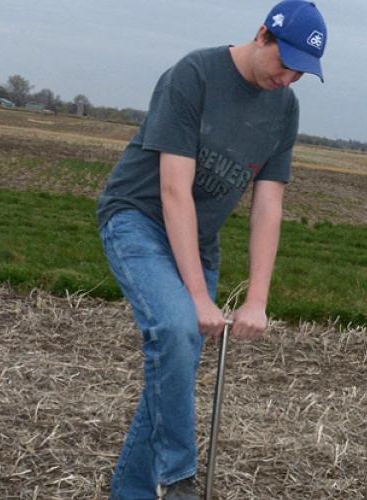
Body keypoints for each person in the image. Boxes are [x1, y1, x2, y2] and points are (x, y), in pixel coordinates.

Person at [96, 1, 327, 498]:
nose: (288, 79)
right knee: (178, 329)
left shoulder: (284, 108)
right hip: (138, 220)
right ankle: (179, 478)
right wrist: (198, 297)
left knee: (172, 375)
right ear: (263, 34)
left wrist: (258, 299)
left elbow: (269, 206)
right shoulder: (195, 74)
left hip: (199, 242)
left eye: (301, 73)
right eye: (285, 63)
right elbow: (174, 190)